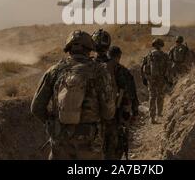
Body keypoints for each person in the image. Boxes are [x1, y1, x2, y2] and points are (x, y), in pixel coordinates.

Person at [30, 30, 115, 160]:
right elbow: (108, 112)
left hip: (60, 141)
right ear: (89, 49)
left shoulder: (54, 71)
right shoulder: (100, 71)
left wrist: (52, 123)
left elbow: (36, 108)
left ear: (68, 48)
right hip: (89, 143)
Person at [104, 46, 139, 160]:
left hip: (93, 119)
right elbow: (131, 93)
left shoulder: (93, 68)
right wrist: (134, 111)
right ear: (118, 57)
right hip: (115, 117)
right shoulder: (122, 70)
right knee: (115, 148)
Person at [141, 38, 171, 124]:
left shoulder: (148, 55)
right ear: (161, 45)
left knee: (152, 97)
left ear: (153, 45)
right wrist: (167, 78)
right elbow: (169, 68)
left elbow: (142, 67)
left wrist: (144, 78)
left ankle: (152, 117)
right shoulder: (164, 55)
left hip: (151, 79)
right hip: (161, 79)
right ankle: (159, 113)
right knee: (160, 95)